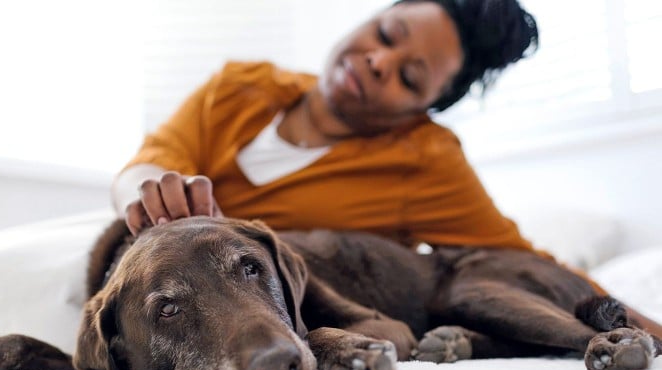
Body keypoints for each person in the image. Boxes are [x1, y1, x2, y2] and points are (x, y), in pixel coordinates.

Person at [111, 0, 662, 337]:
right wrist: (151, 192)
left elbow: (519, 259)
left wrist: (640, 324)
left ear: (419, 109)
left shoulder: (423, 159)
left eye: (408, 77)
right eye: (386, 35)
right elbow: (148, 162)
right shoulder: (239, 88)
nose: (378, 62)